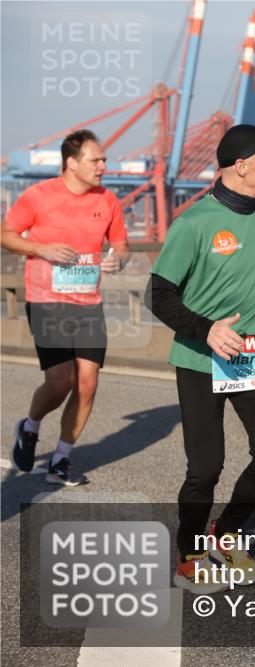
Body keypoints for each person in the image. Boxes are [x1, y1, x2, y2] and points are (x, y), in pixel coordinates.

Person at [149, 124, 255, 592]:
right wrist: (208, 329)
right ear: (241, 166)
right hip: (201, 357)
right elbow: (159, 295)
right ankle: (191, 552)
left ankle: (228, 530)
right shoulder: (193, 224)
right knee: (205, 469)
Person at [2, 129, 129, 486]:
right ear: (72, 163)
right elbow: (5, 233)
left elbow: (121, 243)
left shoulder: (108, 200)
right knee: (61, 383)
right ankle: (29, 426)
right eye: (96, 160)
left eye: (104, 159)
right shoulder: (39, 196)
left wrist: (117, 260)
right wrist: (40, 248)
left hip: (88, 303)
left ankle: (61, 459)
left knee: (87, 384)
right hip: (47, 300)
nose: (104, 165)